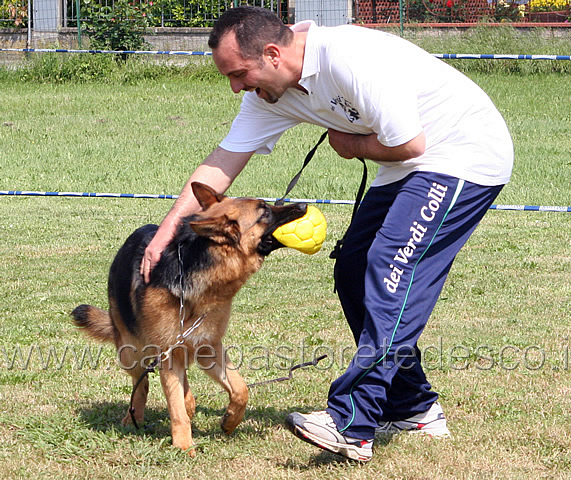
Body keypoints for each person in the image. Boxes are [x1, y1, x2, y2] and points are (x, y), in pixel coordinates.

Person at [141, 6, 513, 462]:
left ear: (273, 54)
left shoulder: (350, 59)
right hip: (406, 166)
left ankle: (352, 423)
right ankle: (413, 407)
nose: (236, 87)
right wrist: (167, 232)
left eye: (238, 74)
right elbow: (222, 163)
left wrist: (352, 145)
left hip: (462, 154)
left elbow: (412, 144)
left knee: (389, 265)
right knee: (354, 269)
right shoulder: (268, 93)